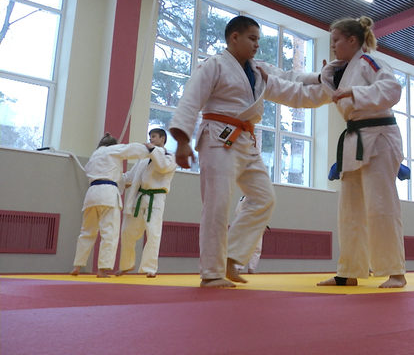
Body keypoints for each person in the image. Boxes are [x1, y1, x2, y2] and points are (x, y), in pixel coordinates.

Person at [169, 15, 329, 288]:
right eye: (252, 38)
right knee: (217, 206)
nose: (257, 44)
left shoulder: (257, 71)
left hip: (245, 140)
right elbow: (190, 100)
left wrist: (321, 78)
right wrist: (182, 140)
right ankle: (211, 272)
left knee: (263, 199)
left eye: (258, 39)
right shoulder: (214, 65)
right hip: (218, 137)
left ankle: (232, 257)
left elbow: (289, 80)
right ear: (234, 37)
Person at [291, 16, 406, 288]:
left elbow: (392, 88)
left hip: (379, 137)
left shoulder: (369, 62)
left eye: (336, 40)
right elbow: (323, 88)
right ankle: (349, 271)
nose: (333, 46)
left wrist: (354, 93)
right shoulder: (338, 70)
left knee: (381, 206)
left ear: (352, 40)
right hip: (355, 138)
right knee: (349, 209)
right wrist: (330, 82)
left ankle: (395, 271)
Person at [70, 134, 151, 277]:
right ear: (113, 144)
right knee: (109, 233)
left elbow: (97, 172)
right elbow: (131, 149)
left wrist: (120, 181)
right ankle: (103, 268)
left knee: (87, 232)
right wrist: (149, 149)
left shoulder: (94, 155)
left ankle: (77, 266)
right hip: (107, 193)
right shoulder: (113, 150)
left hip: (91, 194)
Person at [116, 128, 177, 278]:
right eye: (150, 137)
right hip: (139, 198)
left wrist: (153, 150)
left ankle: (149, 268)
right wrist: (111, 178)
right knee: (127, 232)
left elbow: (162, 167)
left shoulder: (170, 156)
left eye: (154, 137)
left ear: (163, 139)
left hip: (156, 198)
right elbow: (130, 177)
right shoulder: (144, 159)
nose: (151, 140)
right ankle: (126, 265)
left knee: (153, 233)